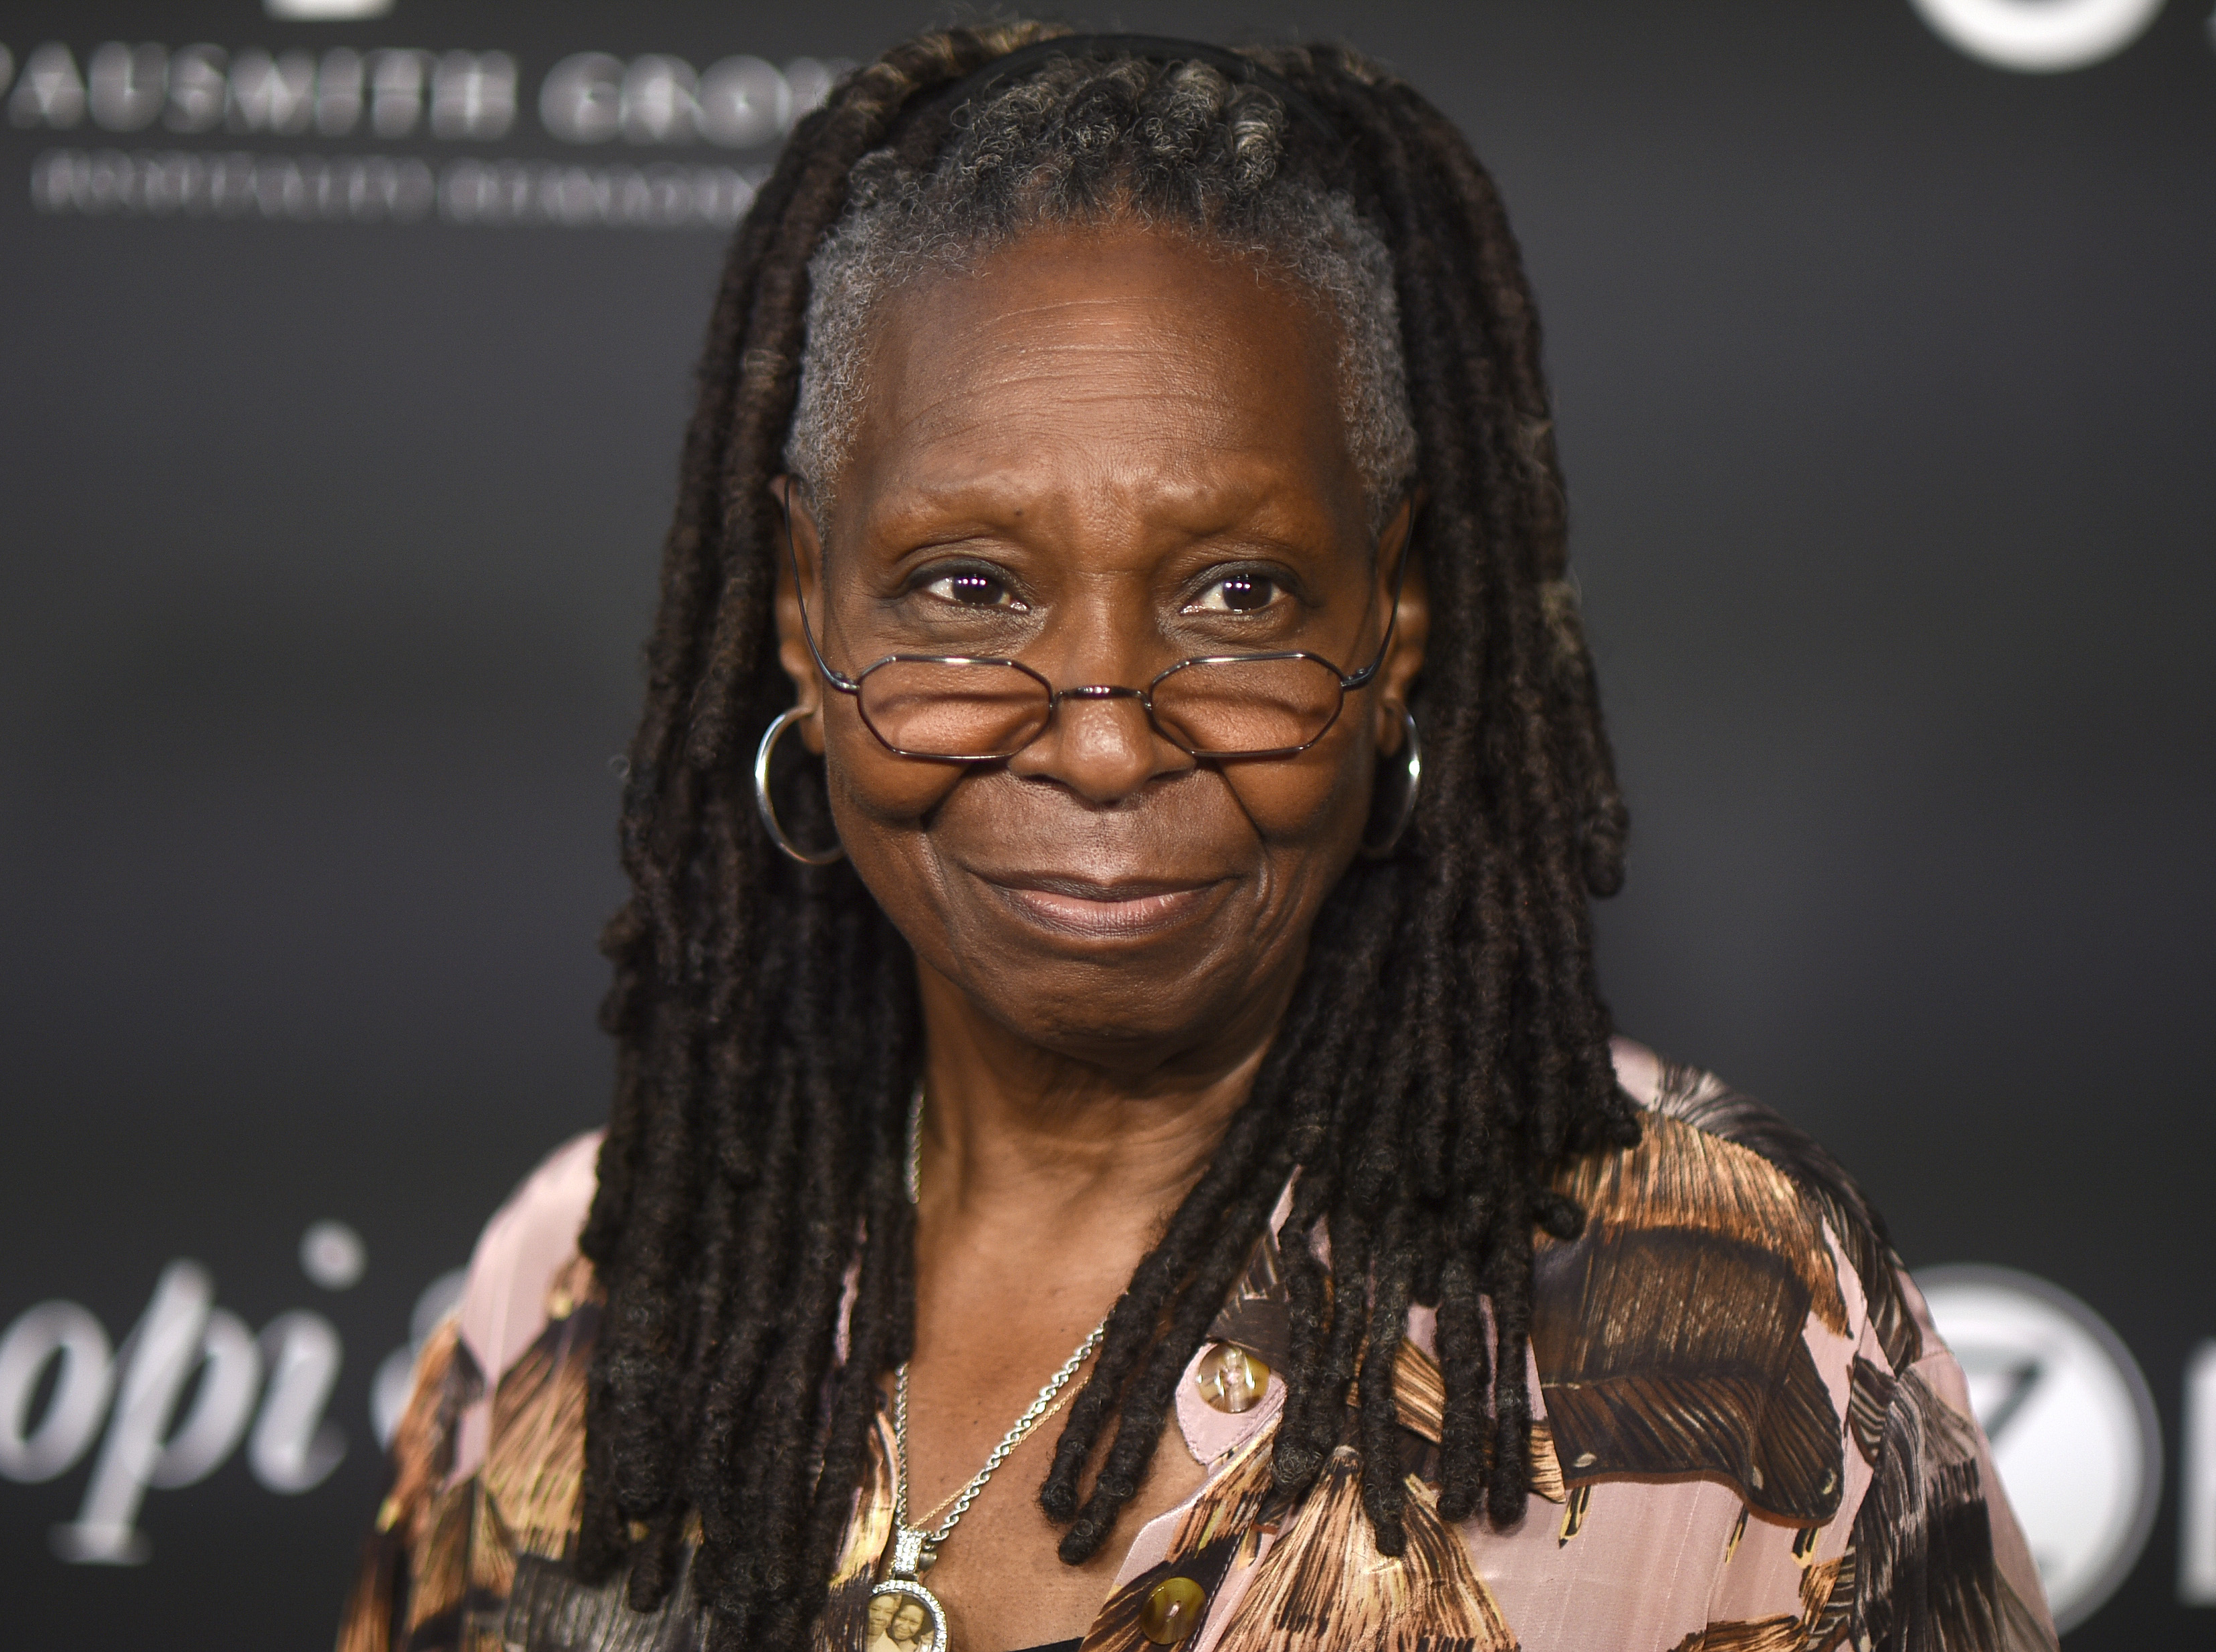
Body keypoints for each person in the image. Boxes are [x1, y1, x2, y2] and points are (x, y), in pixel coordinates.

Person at [340, 24, 2054, 1652]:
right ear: (806, 608)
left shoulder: (1731, 1304)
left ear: (1395, 624)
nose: (1100, 736)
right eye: (969, 588)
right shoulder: (587, 1274)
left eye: (1238, 597)